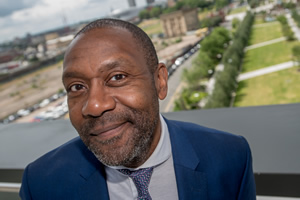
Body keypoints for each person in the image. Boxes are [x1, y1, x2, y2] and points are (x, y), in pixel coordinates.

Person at [20, 18, 256, 200]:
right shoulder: (41, 185)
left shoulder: (231, 158)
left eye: (117, 77)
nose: (94, 105)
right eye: (77, 86)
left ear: (160, 82)